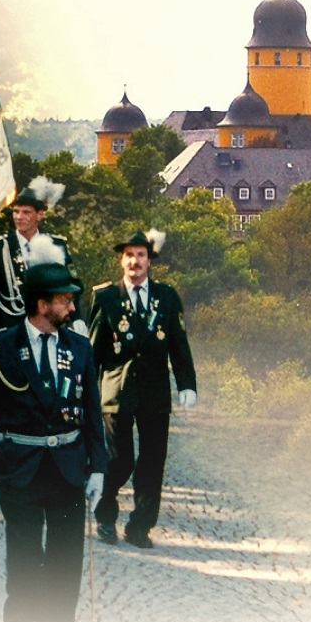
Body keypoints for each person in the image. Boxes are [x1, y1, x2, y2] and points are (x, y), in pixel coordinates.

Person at [0, 241, 107, 622]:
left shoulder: (79, 347)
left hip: (68, 472)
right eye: (64, 300)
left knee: (65, 575)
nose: (71, 307)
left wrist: (99, 468)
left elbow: (93, 414)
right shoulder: (0, 347)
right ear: (41, 305)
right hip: (21, 471)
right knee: (25, 573)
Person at [91, 230, 197, 549]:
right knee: (119, 460)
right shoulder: (105, 296)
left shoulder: (166, 296)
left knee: (152, 462)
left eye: (140, 255)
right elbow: (93, 350)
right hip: (116, 390)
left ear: (150, 261)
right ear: (121, 261)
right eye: (128, 255)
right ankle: (105, 515)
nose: (134, 261)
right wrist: (83, 394)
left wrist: (187, 384)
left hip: (154, 392)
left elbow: (179, 344)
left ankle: (140, 527)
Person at [0, 176, 81, 338]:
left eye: (26, 212)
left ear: (39, 215)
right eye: (16, 212)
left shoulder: (56, 245)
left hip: (50, 329)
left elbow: (73, 286)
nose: (19, 217)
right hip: (12, 333)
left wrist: (77, 320)